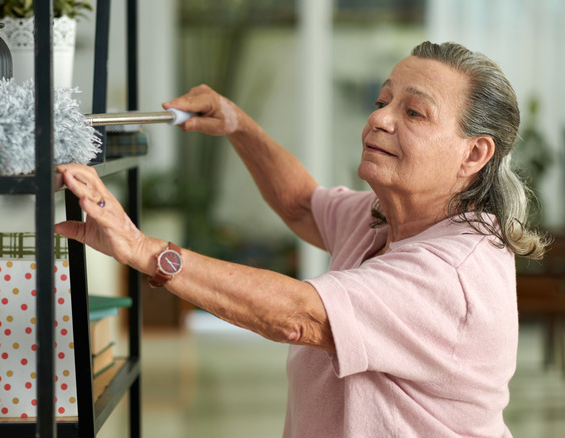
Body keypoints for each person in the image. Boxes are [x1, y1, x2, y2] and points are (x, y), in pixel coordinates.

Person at [55, 41, 549, 437]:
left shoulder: (452, 273)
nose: (379, 118)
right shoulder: (383, 216)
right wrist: (238, 125)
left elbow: (297, 316)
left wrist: (144, 250)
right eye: (382, 101)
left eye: (414, 113)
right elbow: (300, 202)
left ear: (474, 154)